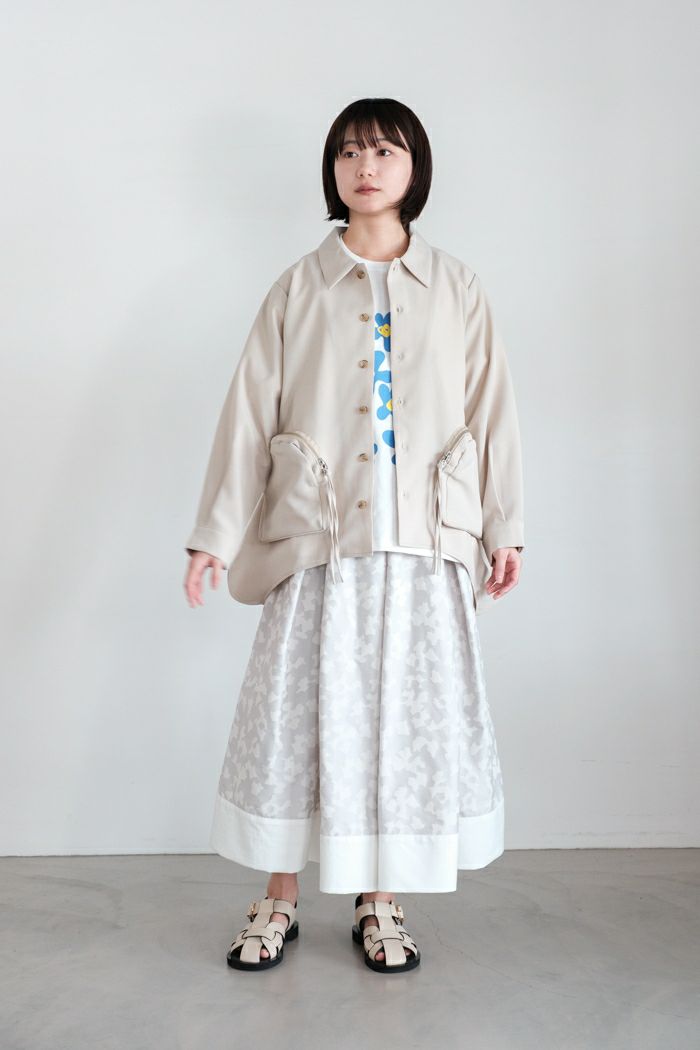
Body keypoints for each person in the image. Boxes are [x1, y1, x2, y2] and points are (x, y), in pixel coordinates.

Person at [183, 97, 525, 974]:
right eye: (347, 152)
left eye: (383, 150)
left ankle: (381, 898)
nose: (364, 167)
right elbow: (249, 413)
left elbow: (492, 412)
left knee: (399, 727)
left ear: (415, 167)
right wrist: (214, 533)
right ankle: (279, 896)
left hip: (424, 546)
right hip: (321, 544)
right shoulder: (298, 287)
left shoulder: (458, 288)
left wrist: (504, 527)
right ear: (332, 171)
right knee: (299, 720)